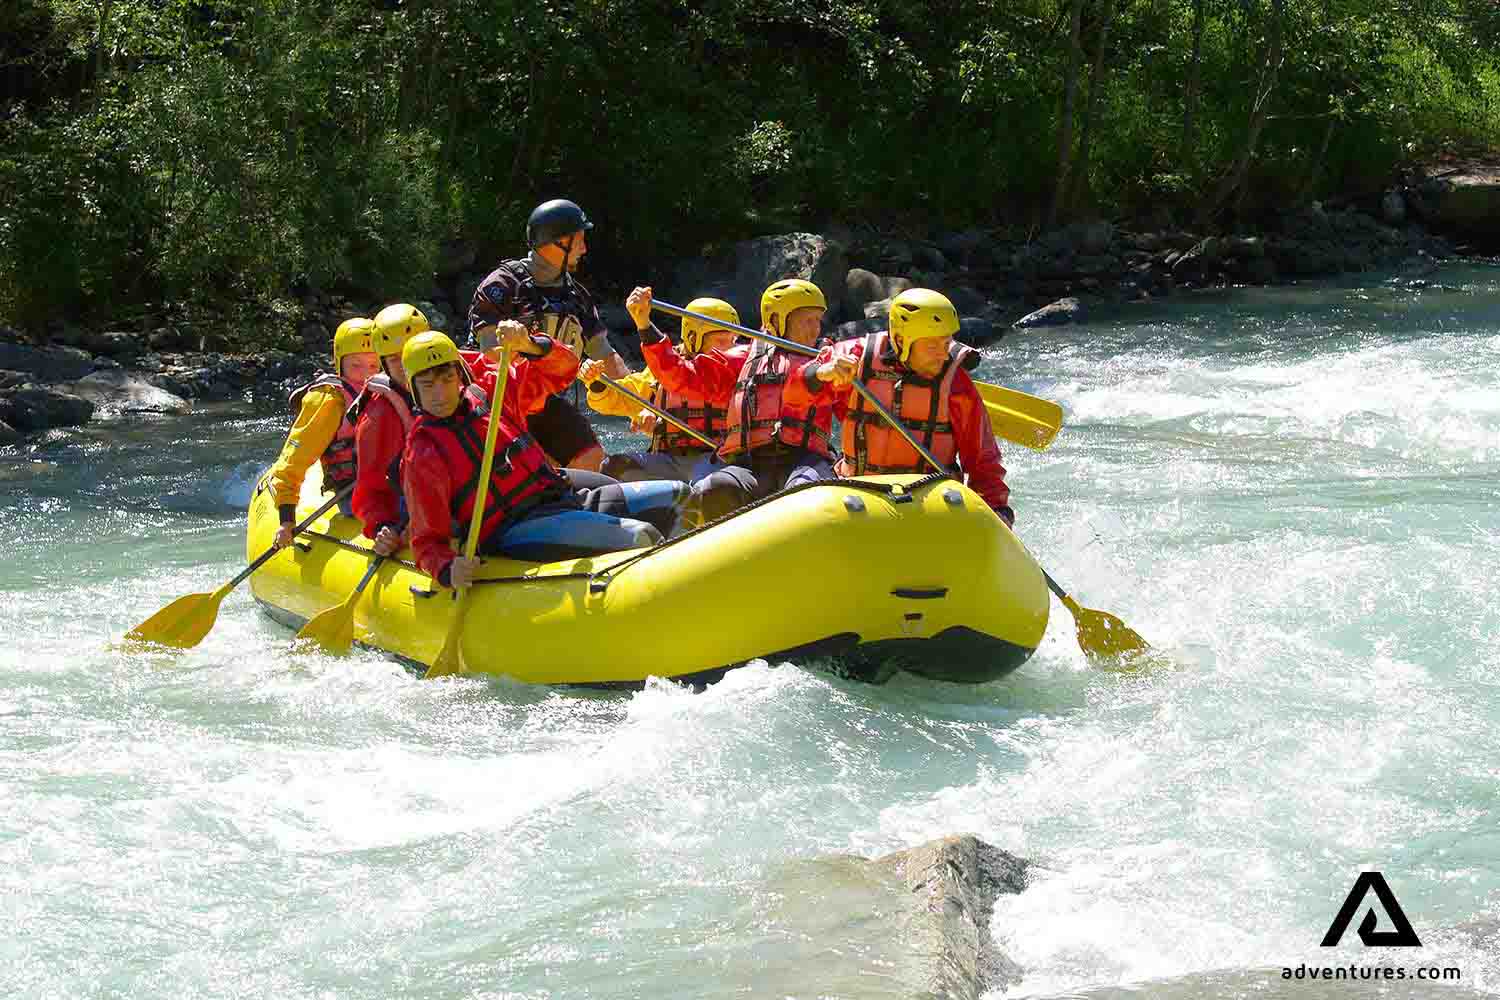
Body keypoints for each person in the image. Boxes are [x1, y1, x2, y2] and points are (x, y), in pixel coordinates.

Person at [399, 331, 688, 588]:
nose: (440, 394)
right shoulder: (423, 452)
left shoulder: (493, 394)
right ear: (414, 389)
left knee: (680, 496)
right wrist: (447, 569)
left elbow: (563, 369)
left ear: (460, 376)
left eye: (447, 379)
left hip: (561, 499)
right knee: (641, 537)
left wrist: (530, 344)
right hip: (512, 529)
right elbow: (426, 541)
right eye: (427, 385)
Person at [788, 288, 1014, 525]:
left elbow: (983, 460)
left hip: (929, 500)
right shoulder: (853, 359)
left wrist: (997, 509)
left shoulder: (956, 384)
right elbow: (794, 398)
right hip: (859, 493)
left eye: (946, 343)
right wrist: (818, 374)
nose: (942, 355)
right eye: (931, 346)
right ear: (900, 341)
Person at [633, 279, 837, 525]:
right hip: (751, 463)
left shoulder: (829, 361)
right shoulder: (743, 360)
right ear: (776, 321)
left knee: (805, 491)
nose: (816, 329)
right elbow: (682, 376)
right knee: (715, 487)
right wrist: (645, 326)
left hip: (806, 460)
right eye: (807, 320)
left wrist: (830, 373)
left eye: (818, 320)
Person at [467, 198, 629, 473]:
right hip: (496, 400)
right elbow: (489, 352)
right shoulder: (503, 285)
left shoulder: (576, 296)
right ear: (556, 241)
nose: (584, 248)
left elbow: (604, 353)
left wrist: (639, 397)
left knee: (592, 460)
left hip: (544, 400)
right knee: (536, 467)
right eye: (578, 240)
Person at [581, 297, 738, 483]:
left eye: (733, 340)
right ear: (693, 337)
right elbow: (617, 398)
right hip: (668, 459)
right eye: (721, 341)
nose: (730, 348)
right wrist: (596, 383)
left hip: (714, 459)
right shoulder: (664, 369)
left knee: (710, 482)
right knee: (612, 467)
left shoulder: (735, 368)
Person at [267, 317, 380, 549]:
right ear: (340, 363)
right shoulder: (330, 399)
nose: (365, 374)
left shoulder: (389, 390)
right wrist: (286, 521)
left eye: (373, 365)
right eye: (355, 365)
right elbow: (294, 459)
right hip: (355, 495)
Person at [348, 303, 428, 557]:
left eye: (411, 353)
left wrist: (533, 347)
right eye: (395, 359)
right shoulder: (379, 414)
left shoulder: (458, 374)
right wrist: (382, 526)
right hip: (417, 511)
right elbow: (370, 485)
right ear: (384, 364)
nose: (406, 365)